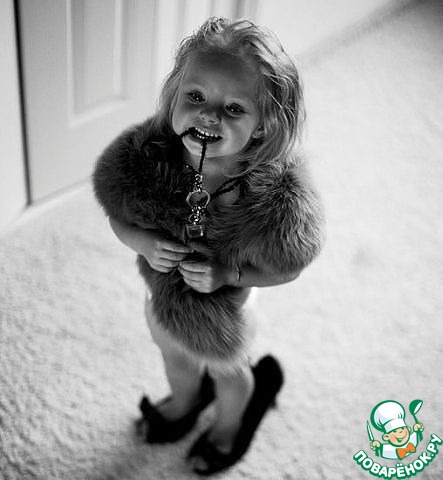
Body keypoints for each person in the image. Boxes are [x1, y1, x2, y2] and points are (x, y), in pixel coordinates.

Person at [93, 16, 324, 475]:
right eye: (195, 97)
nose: (208, 116)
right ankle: (185, 401)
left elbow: (290, 266)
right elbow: (119, 215)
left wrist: (228, 274)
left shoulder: (272, 197)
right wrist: (143, 241)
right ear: (175, 92)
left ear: (264, 125)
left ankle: (229, 424)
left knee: (229, 375)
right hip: (163, 298)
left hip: (228, 313)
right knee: (173, 357)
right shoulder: (149, 157)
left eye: (234, 108)